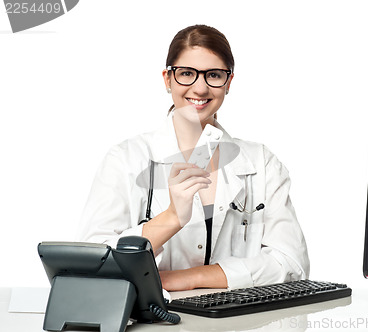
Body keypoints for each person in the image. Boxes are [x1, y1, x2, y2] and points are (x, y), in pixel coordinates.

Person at [77, 24, 310, 291]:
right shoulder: (126, 160)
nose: (200, 88)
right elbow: (92, 262)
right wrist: (172, 218)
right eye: (186, 73)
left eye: (213, 75)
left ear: (228, 82)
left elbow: (293, 265)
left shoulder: (261, 163)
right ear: (167, 79)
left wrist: (188, 278)